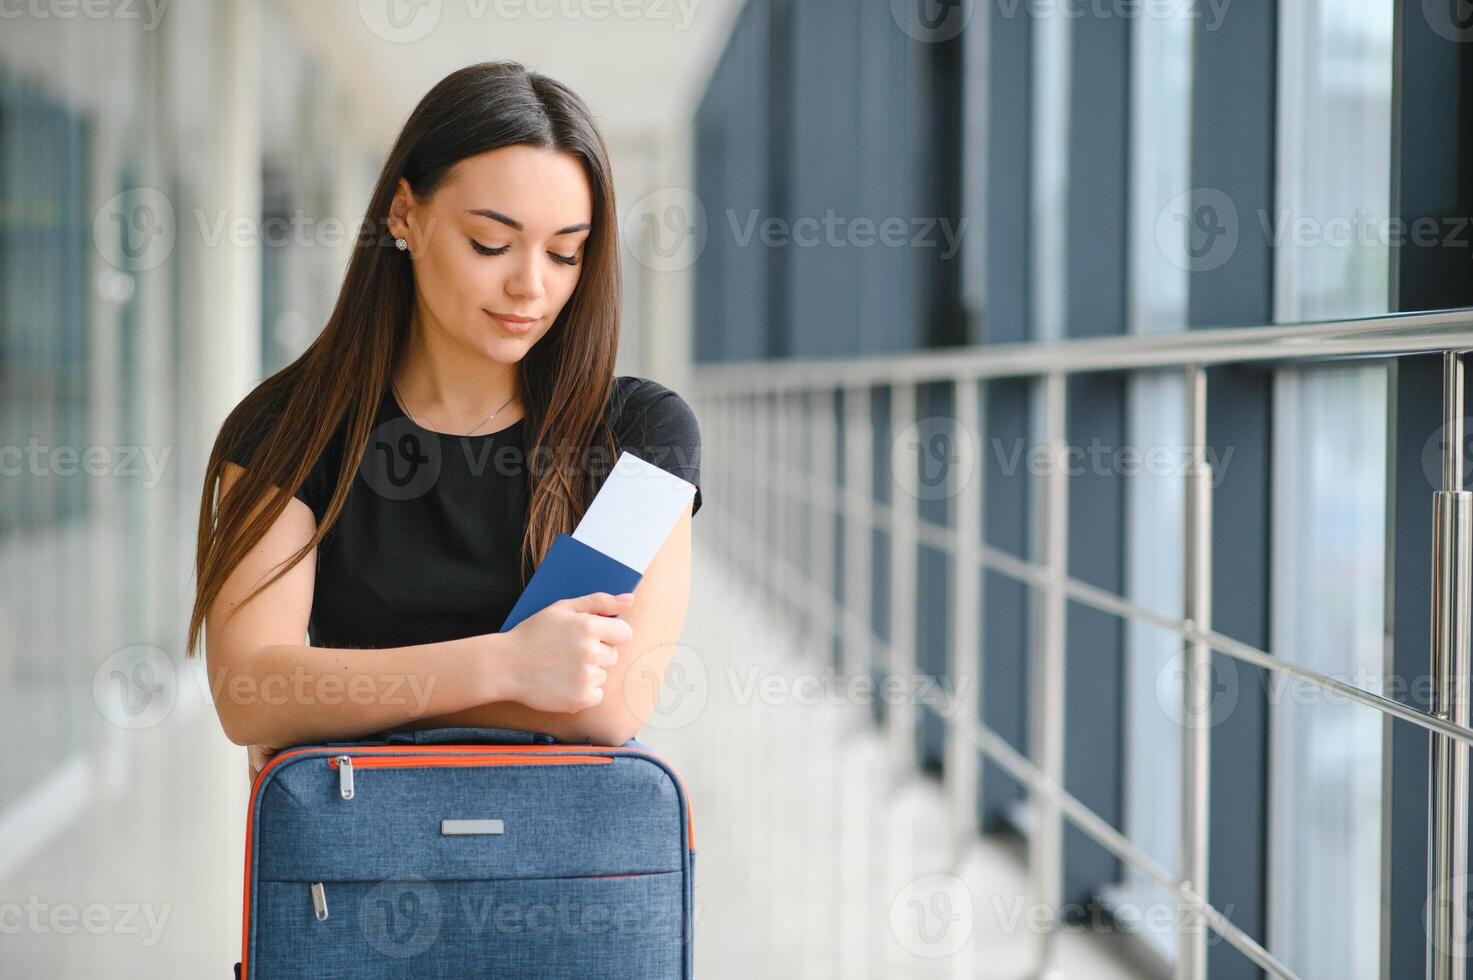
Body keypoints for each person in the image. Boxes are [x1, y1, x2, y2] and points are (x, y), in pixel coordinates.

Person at [184, 61, 702, 784]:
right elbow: (248, 693)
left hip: (562, 870)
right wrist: (509, 664)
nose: (531, 285)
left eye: (564, 253)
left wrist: (329, 703)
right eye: (490, 243)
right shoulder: (290, 428)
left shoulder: (638, 436)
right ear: (404, 214)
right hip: (357, 872)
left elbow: (608, 705)